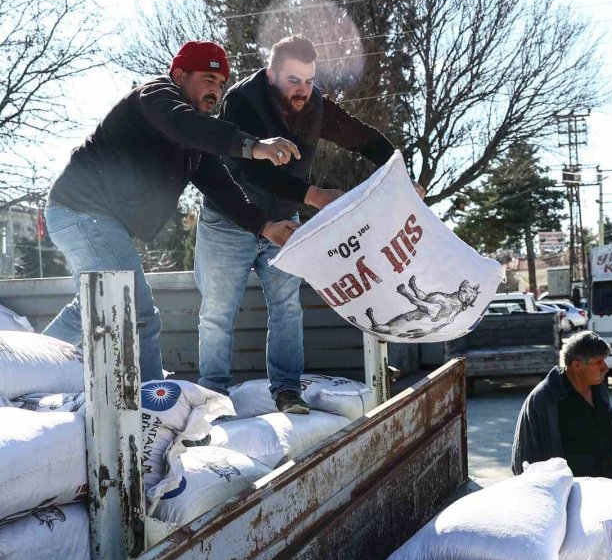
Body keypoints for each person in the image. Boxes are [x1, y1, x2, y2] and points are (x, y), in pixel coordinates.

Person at [43, 41, 301, 381]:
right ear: (180, 76)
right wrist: (253, 146)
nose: (216, 90)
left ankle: (19, 368)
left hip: (89, 217)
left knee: (91, 308)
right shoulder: (156, 97)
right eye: (209, 78)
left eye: (222, 83)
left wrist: (265, 226)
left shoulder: (191, 140)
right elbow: (185, 126)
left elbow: (221, 187)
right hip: (82, 211)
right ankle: (156, 408)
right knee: (138, 312)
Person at [194, 34, 425, 413]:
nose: (302, 90)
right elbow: (244, 170)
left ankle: (286, 391)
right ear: (271, 75)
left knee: (287, 306)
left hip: (284, 222)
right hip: (230, 221)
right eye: (293, 81)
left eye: (309, 80)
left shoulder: (314, 104)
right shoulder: (240, 101)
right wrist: (313, 194)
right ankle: (213, 398)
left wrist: (401, 174)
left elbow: (364, 139)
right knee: (218, 311)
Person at [510, 331, 612, 480]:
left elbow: (610, 440)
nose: (605, 368)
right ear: (577, 365)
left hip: (605, 488)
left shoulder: (598, 389)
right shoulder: (544, 398)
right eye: (599, 362)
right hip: (567, 492)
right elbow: (523, 458)